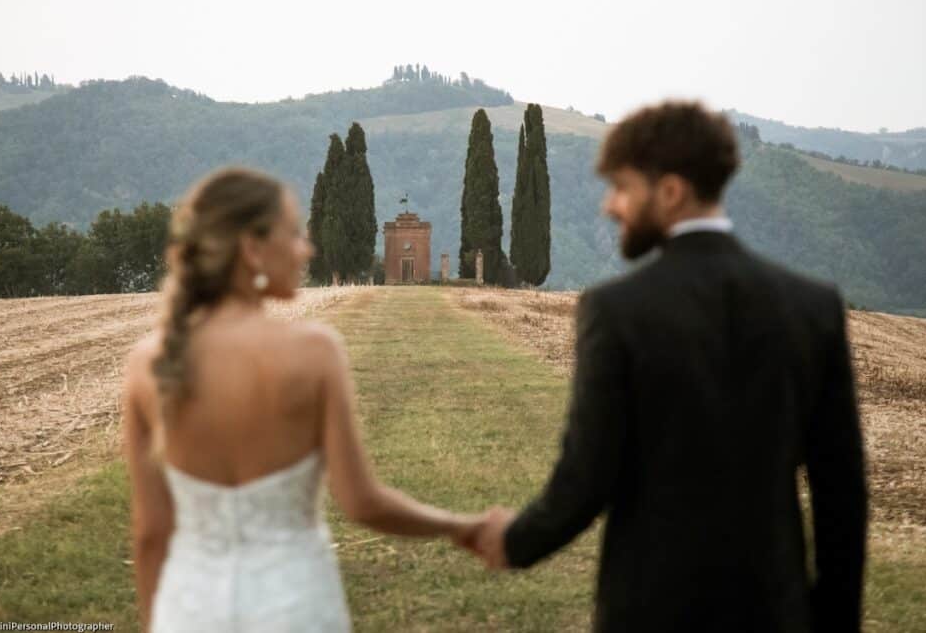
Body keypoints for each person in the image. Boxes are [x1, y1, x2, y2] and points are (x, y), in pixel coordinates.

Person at [469, 101, 869, 632]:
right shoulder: (812, 307)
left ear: (671, 191)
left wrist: (515, 540)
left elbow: (586, 480)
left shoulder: (616, 311)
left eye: (622, 187)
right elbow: (841, 494)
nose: (611, 206)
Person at [121, 166, 483, 632]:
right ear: (252, 249)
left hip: (188, 612)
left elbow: (150, 534)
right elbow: (362, 503)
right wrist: (460, 526)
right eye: (294, 235)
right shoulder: (314, 352)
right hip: (294, 606)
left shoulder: (145, 364)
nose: (306, 249)